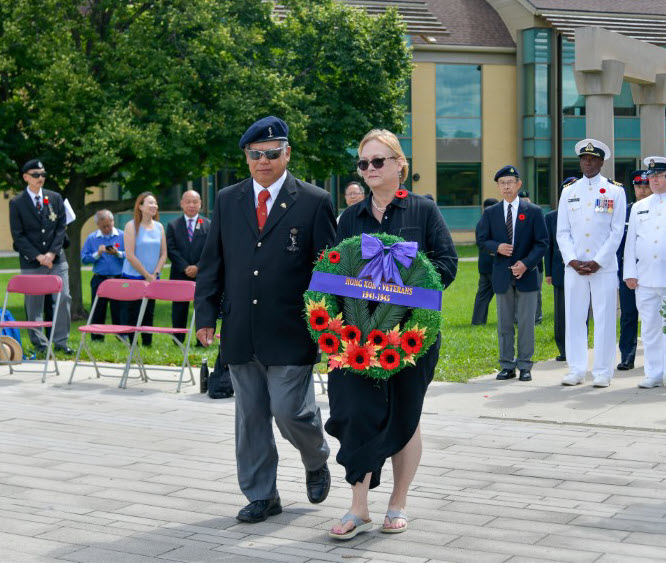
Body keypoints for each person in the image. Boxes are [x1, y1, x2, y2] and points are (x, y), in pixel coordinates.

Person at [194, 116, 336, 524]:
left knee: (291, 410)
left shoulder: (313, 201)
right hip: (241, 330)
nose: (263, 161)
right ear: (246, 157)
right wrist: (206, 313)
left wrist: (327, 325)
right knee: (251, 416)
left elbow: (327, 270)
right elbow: (212, 264)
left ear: (287, 154)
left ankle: (315, 457)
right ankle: (262, 495)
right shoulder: (227, 199)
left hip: (291, 330)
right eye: (255, 155)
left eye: (272, 154)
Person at [327, 129, 457, 539]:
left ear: (400, 165)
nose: (369, 170)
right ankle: (357, 507)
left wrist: (403, 283)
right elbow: (334, 273)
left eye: (378, 162)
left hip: (411, 337)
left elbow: (448, 265)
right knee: (355, 414)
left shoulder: (423, 211)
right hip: (359, 337)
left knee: (406, 414)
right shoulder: (349, 218)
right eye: (363, 163)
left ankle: (397, 503)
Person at [557, 139, 626, 387]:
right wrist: (572, 260)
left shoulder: (615, 191)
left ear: (601, 161)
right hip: (574, 268)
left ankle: (602, 372)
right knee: (574, 317)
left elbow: (616, 232)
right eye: (584, 159)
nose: (587, 163)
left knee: (604, 318)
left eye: (592, 159)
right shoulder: (569, 191)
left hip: (603, 268)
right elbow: (562, 232)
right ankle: (576, 369)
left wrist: (597, 261)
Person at [477, 166, 548, 383]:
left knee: (526, 323)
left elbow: (542, 242)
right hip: (502, 276)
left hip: (526, 275)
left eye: (510, 182)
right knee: (504, 323)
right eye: (502, 183)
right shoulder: (491, 213)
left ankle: (525, 365)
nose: (506, 186)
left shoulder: (534, 211)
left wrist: (526, 264)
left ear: (519, 184)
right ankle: (507, 365)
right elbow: (481, 240)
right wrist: (496, 247)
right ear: (498, 186)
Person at [9, 159, 73, 354]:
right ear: (26, 177)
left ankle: (61, 343)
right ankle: (41, 344)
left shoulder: (54, 198)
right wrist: (38, 256)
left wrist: (51, 253)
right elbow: (18, 235)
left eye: (43, 174)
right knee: (34, 304)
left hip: (56, 259)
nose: (40, 178)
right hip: (32, 261)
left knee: (63, 299)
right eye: (36, 175)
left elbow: (61, 228)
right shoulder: (17, 202)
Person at [623, 157, 666, 388]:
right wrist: (629, 272)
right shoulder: (639, 207)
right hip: (645, 277)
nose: (654, 181)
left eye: (659, 176)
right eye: (652, 177)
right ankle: (653, 373)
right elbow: (631, 243)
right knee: (649, 327)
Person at [122, 192, 167, 346]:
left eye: (155, 203)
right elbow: (130, 254)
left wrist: (154, 274)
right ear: (140, 206)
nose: (154, 206)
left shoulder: (159, 227)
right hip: (134, 277)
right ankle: (133, 344)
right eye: (150, 203)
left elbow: (163, 254)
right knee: (133, 312)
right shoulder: (131, 226)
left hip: (153, 278)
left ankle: (147, 343)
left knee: (149, 312)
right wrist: (146, 275)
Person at [616, 170, 651, 371]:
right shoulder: (626, 211)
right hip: (628, 271)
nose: (643, 191)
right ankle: (627, 356)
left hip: (651, 271)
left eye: (646, 186)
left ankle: (656, 359)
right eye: (639, 187)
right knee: (629, 315)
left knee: (654, 316)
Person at [166, 190, 210, 343]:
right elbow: (171, 249)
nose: (192, 205)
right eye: (188, 201)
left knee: (202, 308)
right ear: (182, 204)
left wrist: (198, 267)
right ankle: (177, 340)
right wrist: (185, 267)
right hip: (180, 273)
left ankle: (202, 341)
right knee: (179, 309)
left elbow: (210, 250)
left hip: (202, 274)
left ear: (200, 204)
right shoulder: (173, 225)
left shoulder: (208, 225)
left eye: (195, 201)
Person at [545, 177, 577, 362]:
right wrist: (548, 272)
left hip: (581, 270)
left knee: (579, 312)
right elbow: (548, 246)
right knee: (561, 312)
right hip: (559, 270)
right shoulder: (551, 217)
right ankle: (563, 348)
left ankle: (577, 346)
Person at [80, 210, 125, 339]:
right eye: (103, 226)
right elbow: (84, 258)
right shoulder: (92, 238)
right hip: (100, 279)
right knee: (98, 310)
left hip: (118, 279)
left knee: (119, 310)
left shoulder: (122, 235)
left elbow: (130, 255)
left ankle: (121, 337)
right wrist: (97, 254)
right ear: (98, 225)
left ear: (113, 221)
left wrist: (117, 253)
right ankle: (97, 338)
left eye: (108, 225)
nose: (106, 228)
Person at [471, 198, 498, 325]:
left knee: (482, 295)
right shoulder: (494, 222)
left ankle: (478, 321)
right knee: (503, 293)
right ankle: (510, 319)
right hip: (494, 264)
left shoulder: (481, 221)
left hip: (484, 265)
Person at [519, 190, 544, 324]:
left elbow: (542, 242)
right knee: (517, 293)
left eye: (527, 201)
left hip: (535, 264)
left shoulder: (537, 217)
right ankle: (518, 318)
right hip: (517, 263)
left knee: (537, 292)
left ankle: (537, 318)